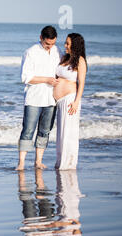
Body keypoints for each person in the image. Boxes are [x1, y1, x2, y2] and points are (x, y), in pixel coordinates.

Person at [16, 26, 62, 171]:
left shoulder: (56, 51)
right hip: (34, 98)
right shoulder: (31, 52)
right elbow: (26, 78)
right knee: (28, 130)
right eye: (47, 43)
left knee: (45, 131)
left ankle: (38, 161)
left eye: (53, 43)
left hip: (51, 98)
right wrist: (47, 79)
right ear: (41, 37)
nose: (50, 46)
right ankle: (21, 163)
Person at [54, 33, 87, 170]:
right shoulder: (64, 58)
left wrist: (76, 101)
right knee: (60, 134)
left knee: (68, 133)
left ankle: (68, 165)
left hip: (70, 100)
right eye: (65, 43)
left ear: (75, 45)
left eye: (68, 43)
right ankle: (61, 162)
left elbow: (82, 83)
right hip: (60, 101)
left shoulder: (80, 61)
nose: (65, 46)